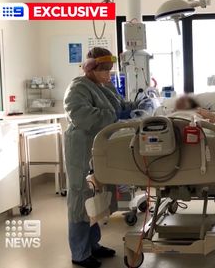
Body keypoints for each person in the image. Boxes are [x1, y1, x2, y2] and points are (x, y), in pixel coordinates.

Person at [64, 47, 134, 268]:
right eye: (104, 69)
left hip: (101, 150)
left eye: (110, 69)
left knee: (96, 198)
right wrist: (114, 116)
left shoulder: (104, 86)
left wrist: (139, 106)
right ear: (90, 68)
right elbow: (82, 115)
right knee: (80, 198)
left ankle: (93, 245)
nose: (108, 73)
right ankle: (80, 253)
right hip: (82, 149)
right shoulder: (78, 88)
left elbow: (120, 105)